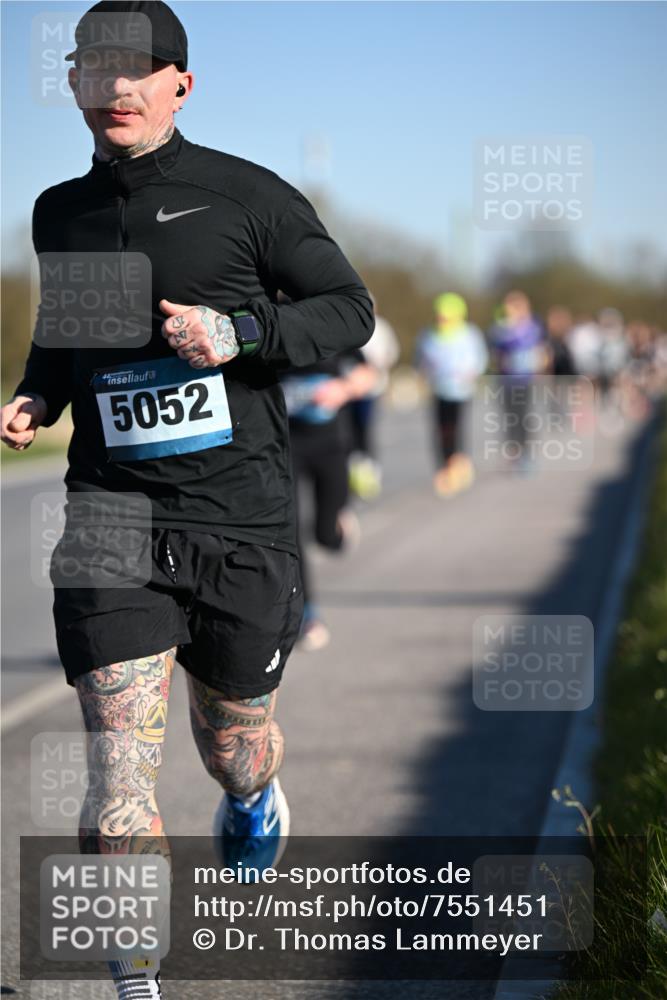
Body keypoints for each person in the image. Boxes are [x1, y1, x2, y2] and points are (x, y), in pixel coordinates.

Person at [0, 3, 373, 997]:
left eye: (137, 68)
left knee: (233, 743)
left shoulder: (248, 197)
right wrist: (41, 392)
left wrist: (241, 334)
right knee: (117, 770)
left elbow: (349, 312)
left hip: (238, 521)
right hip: (111, 517)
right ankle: (135, 978)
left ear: (179, 84)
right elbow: (69, 330)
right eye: (94, 67)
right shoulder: (57, 210)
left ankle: (253, 796)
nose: (114, 86)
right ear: (73, 81)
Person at [281, 324, 377, 650]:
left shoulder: (330, 326)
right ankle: (308, 615)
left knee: (325, 535)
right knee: (291, 532)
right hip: (288, 444)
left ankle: (337, 529)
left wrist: (344, 389)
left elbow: (369, 374)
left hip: (331, 444)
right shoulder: (273, 324)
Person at [415, 292, 488, 496]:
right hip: (438, 389)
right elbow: (420, 360)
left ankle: (457, 465)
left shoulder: (469, 334)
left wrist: (470, 373)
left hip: (461, 391)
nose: (442, 319)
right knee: (440, 431)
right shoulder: (428, 335)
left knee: (455, 429)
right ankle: (444, 468)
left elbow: (479, 360)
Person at [488, 290, 548, 473]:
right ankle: (514, 452)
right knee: (510, 417)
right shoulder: (500, 329)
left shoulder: (533, 327)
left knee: (523, 417)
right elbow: (495, 353)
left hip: (525, 379)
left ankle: (526, 454)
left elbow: (542, 351)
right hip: (506, 379)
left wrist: (541, 368)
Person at [347, 294, 400, 500]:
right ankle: (354, 469)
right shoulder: (348, 325)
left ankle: (370, 469)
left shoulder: (382, 327)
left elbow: (391, 353)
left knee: (366, 428)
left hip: (373, 388)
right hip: (350, 389)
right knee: (351, 431)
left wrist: (378, 364)